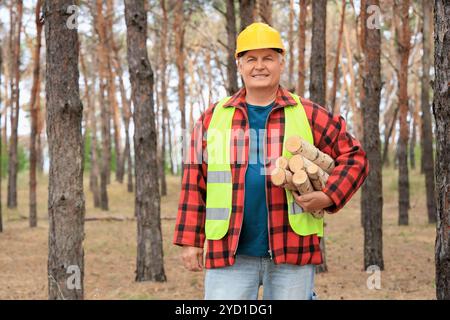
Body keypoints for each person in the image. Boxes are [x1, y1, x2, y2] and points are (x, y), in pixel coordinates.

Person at [173, 22, 369, 300]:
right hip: (229, 251)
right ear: (239, 65)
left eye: (268, 58)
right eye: (251, 59)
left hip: (292, 249)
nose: (259, 66)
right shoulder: (212, 117)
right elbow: (194, 181)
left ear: (281, 63)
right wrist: (190, 241)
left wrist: (329, 196)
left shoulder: (307, 113)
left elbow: (355, 156)